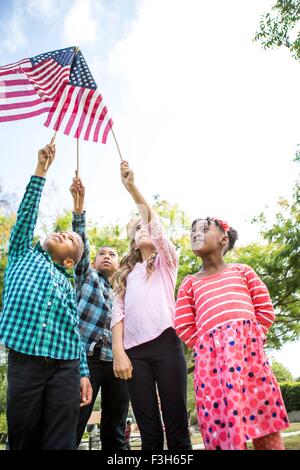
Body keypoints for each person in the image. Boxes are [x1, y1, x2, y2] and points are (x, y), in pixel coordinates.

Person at [0, 141, 92, 450]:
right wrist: (41, 169)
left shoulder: (70, 281)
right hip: (25, 357)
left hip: (65, 363)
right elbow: (26, 214)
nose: (62, 234)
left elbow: (75, 333)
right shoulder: (23, 254)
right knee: (23, 434)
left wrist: (82, 372)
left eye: (69, 238)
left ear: (69, 261)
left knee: (60, 439)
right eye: (62, 232)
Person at [175, 217, 290, 450]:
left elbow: (265, 309)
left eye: (204, 230)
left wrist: (251, 339)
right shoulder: (189, 284)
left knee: (264, 421)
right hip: (212, 370)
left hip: (251, 363)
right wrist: (207, 348)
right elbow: (184, 324)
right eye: (192, 232)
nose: (196, 234)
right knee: (224, 429)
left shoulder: (243, 272)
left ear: (223, 239)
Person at [111, 161, 192, 451]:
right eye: (138, 228)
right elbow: (117, 315)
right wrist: (119, 352)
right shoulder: (124, 276)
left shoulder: (167, 262)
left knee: (177, 425)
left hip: (166, 343)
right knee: (150, 433)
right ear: (132, 242)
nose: (145, 228)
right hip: (134, 354)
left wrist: (132, 187)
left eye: (147, 225)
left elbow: (155, 225)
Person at [70, 177, 129, 451]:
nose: (106, 256)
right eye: (101, 253)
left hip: (118, 364)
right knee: (76, 420)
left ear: (119, 262)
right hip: (88, 361)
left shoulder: (126, 289)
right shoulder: (86, 277)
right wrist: (79, 208)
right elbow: (80, 243)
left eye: (112, 254)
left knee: (115, 427)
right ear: (93, 261)